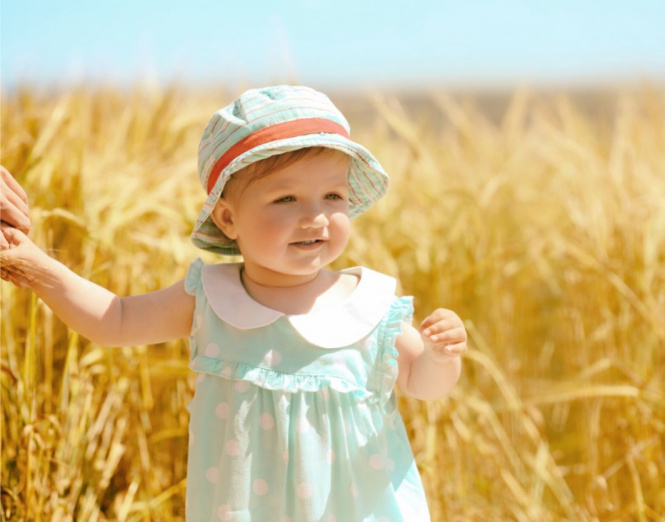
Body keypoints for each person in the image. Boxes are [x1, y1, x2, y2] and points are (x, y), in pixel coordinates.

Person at [0, 85, 467, 521]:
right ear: (227, 218)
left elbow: (423, 385)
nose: (315, 215)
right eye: (286, 198)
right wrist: (35, 264)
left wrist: (438, 356)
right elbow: (115, 320)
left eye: (333, 195)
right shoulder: (211, 297)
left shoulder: (367, 305)